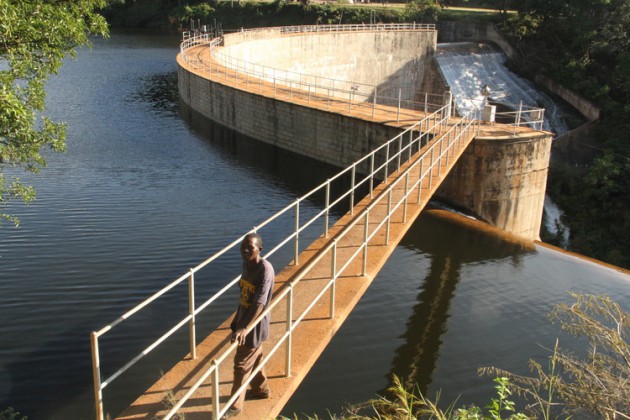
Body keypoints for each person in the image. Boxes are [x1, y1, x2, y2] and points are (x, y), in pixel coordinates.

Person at [225, 233, 274, 418]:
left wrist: (245, 327)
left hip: (254, 326)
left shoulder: (265, 270)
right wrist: (237, 320)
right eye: (243, 246)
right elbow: (244, 294)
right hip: (244, 321)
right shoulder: (246, 264)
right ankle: (261, 389)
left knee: (241, 365)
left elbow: (259, 304)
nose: (245, 251)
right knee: (256, 357)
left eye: (250, 247)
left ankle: (235, 405)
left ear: (260, 249)